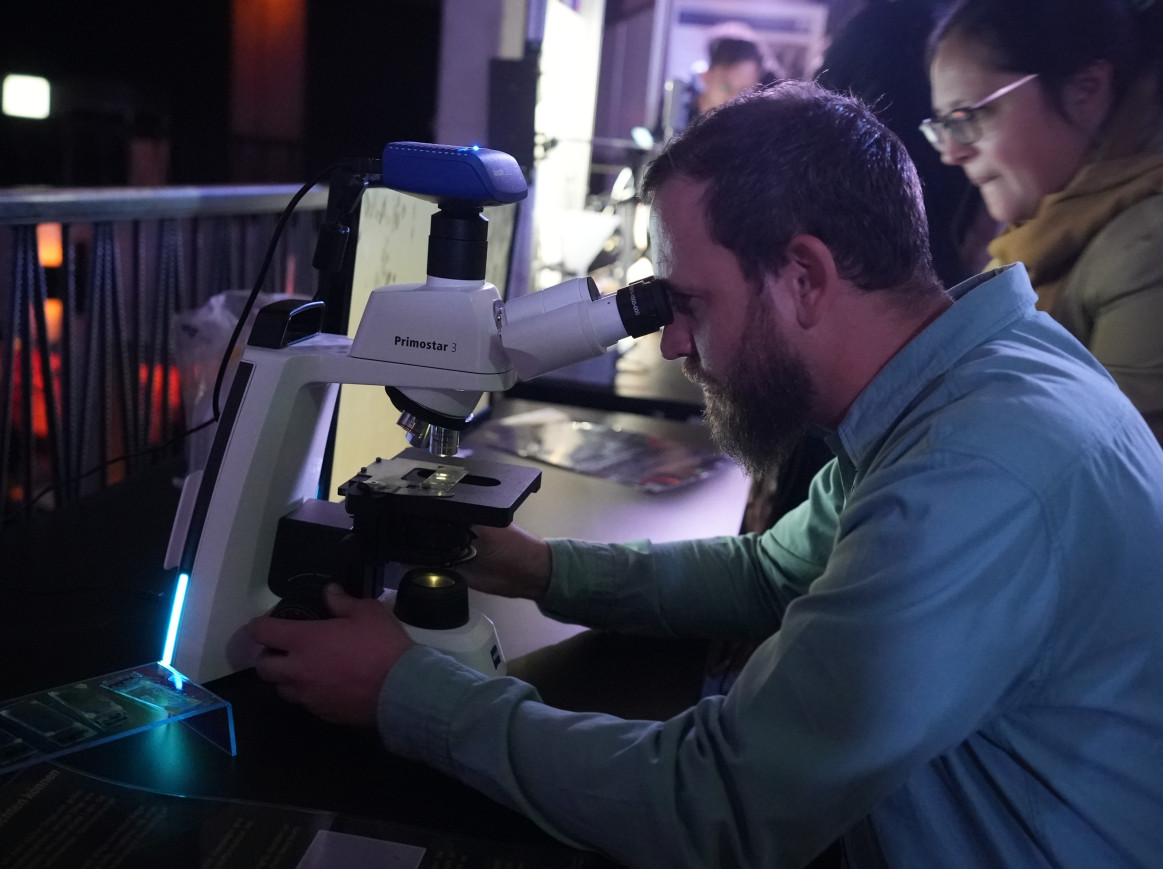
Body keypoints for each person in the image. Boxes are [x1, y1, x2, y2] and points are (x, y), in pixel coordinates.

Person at [248, 81, 1163, 868]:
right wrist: (540, 569)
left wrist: (403, 690)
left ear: (804, 275)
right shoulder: (967, 383)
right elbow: (771, 572)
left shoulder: (973, 470)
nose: (673, 341)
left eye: (687, 302)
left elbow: (717, 807)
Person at [924, 0, 1163, 444]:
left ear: (1086, 90)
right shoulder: (1041, 230)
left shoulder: (1146, 250)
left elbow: (1114, 481)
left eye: (967, 117)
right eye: (943, 126)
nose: (951, 153)